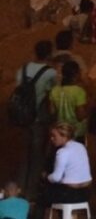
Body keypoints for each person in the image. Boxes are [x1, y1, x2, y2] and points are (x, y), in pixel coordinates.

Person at [16, 40, 56, 200]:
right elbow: (51, 96)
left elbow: (18, 90)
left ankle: (18, 190)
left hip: (23, 118)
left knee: (24, 156)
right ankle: (30, 195)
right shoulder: (50, 73)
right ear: (49, 54)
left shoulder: (23, 69)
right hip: (40, 120)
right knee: (37, 156)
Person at [39, 122, 92, 215]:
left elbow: (56, 178)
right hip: (85, 193)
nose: (51, 139)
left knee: (42, 197)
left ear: (64, 136)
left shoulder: (62, 152)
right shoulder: (81, 147)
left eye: (54, 136)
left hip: (69, 194)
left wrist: (46, 176)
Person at [48, 61, 88, 141]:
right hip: (76, 132)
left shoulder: (54, 90)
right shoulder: (79, 91)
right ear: (76, 74)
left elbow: (52, 112)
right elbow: (80, 116)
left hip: (61, 131)